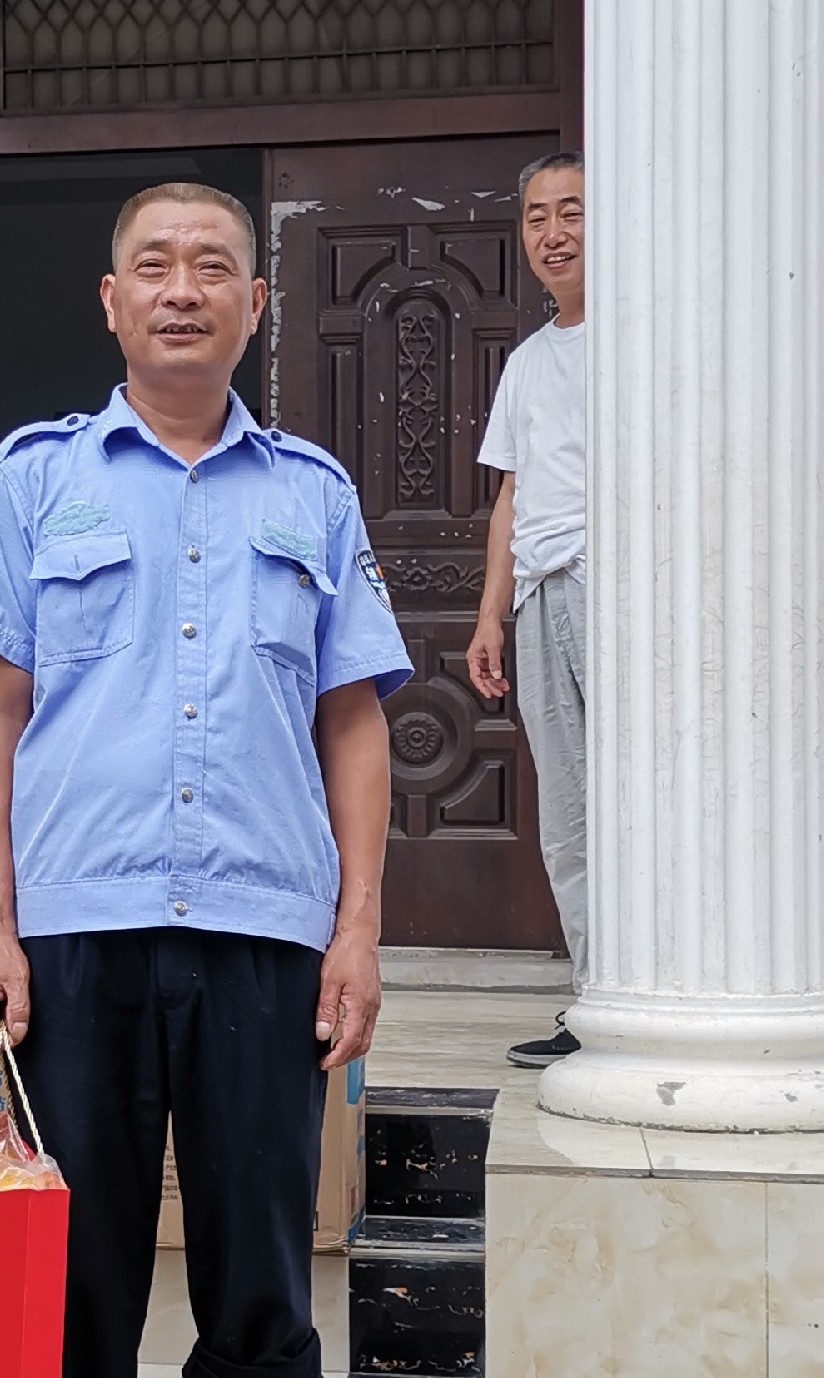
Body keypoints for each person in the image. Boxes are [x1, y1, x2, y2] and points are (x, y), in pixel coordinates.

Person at [0, 183, 411, 1378]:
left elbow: (352, 721)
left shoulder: (314, 491)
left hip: (264, 927)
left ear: (256, 302)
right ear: (112, 301)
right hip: (76, 929)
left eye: (211, 267)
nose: (182, 290)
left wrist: (357, 929)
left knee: (262, 1285)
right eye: (154, 266)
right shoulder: (32, 480)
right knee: (69, 1283)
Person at [466, 152, 587, 1069]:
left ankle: (653, 994)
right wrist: (489, 617)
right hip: (544, 595)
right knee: (569, 815)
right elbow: (510, 494)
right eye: (538, 216)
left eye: (572, 212)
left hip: (617, 586)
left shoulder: (643, 339)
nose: (554, 233)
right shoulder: (528, 360)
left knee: (635, 800)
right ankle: (596, 999)